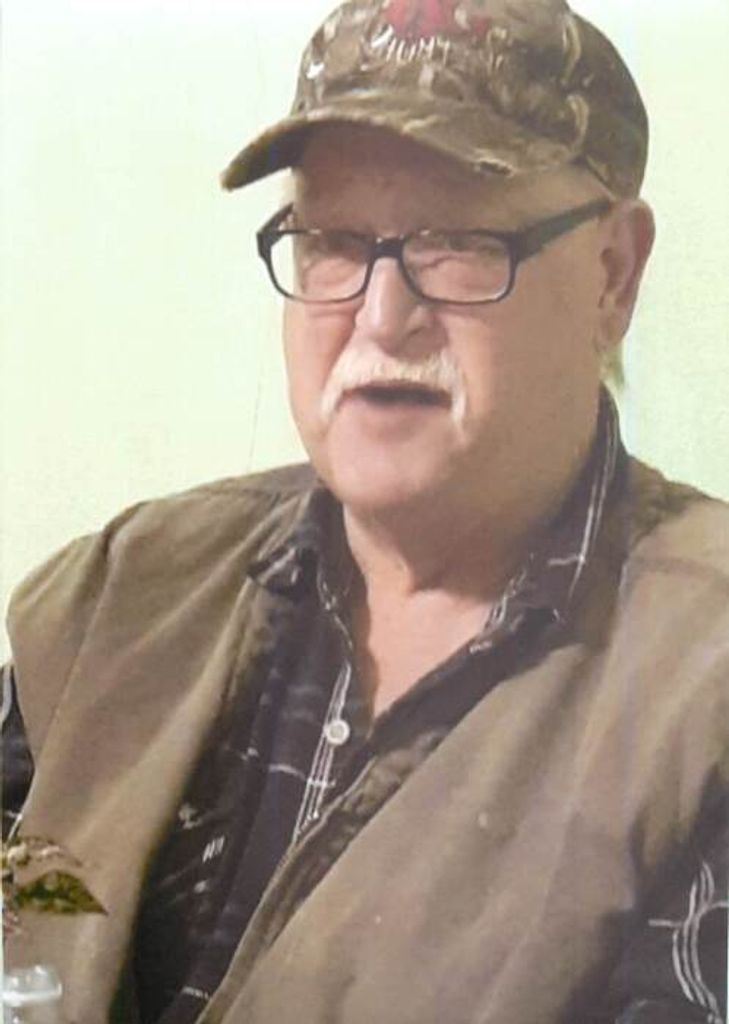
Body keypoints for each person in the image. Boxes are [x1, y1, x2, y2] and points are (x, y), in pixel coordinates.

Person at [3, 1, 728, 1022]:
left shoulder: (702, 682)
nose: (382, 317)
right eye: (333, 242)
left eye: (459, 243)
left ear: (613, 273)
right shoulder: (126, 590)